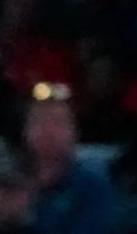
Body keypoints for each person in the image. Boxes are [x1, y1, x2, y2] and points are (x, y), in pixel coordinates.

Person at [23, 89, 117, 234]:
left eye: (57, 122)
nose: (48, 130)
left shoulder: (91, 186)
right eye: (39, 121)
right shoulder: (13, 181)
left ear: (74, 132)